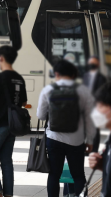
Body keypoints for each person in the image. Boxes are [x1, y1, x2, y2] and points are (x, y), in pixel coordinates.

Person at [36, 60, 95, 197]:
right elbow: (90, 119)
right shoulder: (83, 91)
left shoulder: (48, 90)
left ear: (56, 73)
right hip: (76, 140)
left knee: (54, 174)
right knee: (78, 175)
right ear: (74, 74)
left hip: (54, 138)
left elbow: (40, 116)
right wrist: (90, 140)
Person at [0, 46, 27, 197]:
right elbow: (22, 102)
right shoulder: (19, 79)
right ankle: (8, 194)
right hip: (12, 126)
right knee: (6, 161)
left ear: (1, 58)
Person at [83, 56, 108, 155]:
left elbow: (103, 93)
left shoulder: (102, 78)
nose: (92, 65)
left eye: (94, 63)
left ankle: (94, 150)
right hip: (86, 105)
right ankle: (85, 148)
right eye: (90, 63)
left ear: (98, 64)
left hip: (96, 106)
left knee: (95, 129)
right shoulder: (85, 76)